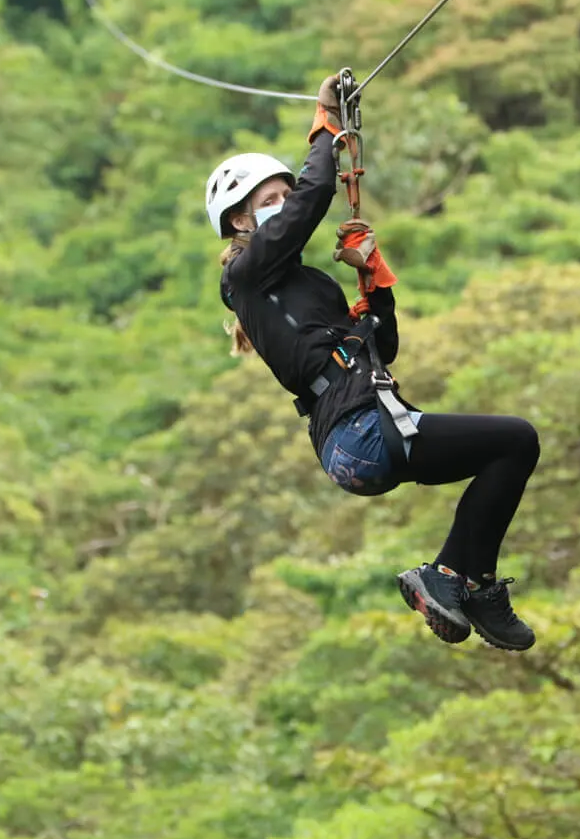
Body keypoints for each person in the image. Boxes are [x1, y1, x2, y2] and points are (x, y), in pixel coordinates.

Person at [206, 74, 540, 651]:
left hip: (364, 430)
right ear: (240, 221)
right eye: (269, 202)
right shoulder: (244, 278)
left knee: (509, 449)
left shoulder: (304, 287)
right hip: (360, 432)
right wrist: (325, 130)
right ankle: (456, 578)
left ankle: (468, 580)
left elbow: (381, 346)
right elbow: (312, 198)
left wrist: (374, 281)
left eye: (282, 196)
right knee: (516, 440)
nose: (283, 206)